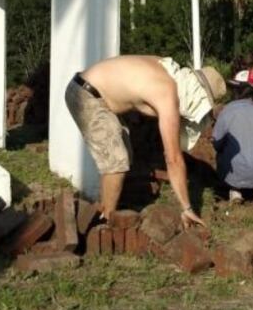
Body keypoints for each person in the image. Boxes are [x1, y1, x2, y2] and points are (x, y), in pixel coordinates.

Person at [64, 55, 226, 226]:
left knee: (122, 153)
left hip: (88, 86)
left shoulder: (167, 70)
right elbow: (173, 159)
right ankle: (104, 225)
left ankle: (102, 209)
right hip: (86, 95)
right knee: (117, 161)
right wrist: (187, 208)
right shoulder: (166, 93)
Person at [213, 70, 253, 211]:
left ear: (237, 90)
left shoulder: (226, 111)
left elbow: (217, 143)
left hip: (233, 174)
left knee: (220, 156)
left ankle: (235, 191)